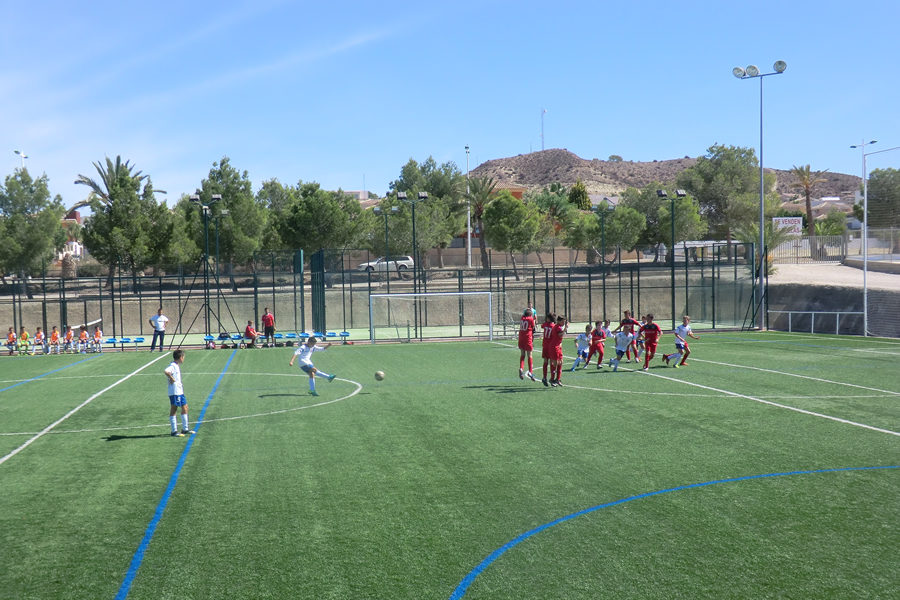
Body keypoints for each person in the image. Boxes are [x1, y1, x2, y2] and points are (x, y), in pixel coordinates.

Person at [164, 349, 195, 437]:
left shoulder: (176, 366)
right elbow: (166, 371)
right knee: (174, 409)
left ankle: (185, 429)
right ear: (181, 357)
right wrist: (172, 378)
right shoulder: (172, 366)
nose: (184, 359)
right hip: (174, 391)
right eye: (183, 357)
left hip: (179, 391)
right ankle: (174, 431)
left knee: (185, 407)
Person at [518, 308, 537, 381]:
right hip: (527, 338)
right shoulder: (530, 319)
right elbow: (532, 327)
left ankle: (521, 368)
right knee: (529, 355)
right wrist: (534, 319)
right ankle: (530, 372)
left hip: (521, 337)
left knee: (522, 355)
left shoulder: (522, 318)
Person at [549, 314, 568, 386]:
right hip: (555, 347)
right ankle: (552, 379)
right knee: (556, 363)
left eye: (564, 321)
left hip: (558, 346)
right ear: (558, 321)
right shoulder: (558, 328)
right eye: (563, 321)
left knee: (561, 362)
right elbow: (561, 335)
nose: (564, 323)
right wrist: (565, 328)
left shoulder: (557, 327)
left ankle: (558, 379)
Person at [540, 312, 556, 387]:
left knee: (545, 361)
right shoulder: (554, 326)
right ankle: (552, 379)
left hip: (545, 345)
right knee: (552, 362)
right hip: (551, 346)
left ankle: (544, 377)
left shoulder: (545, 324)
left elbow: (542, 326)